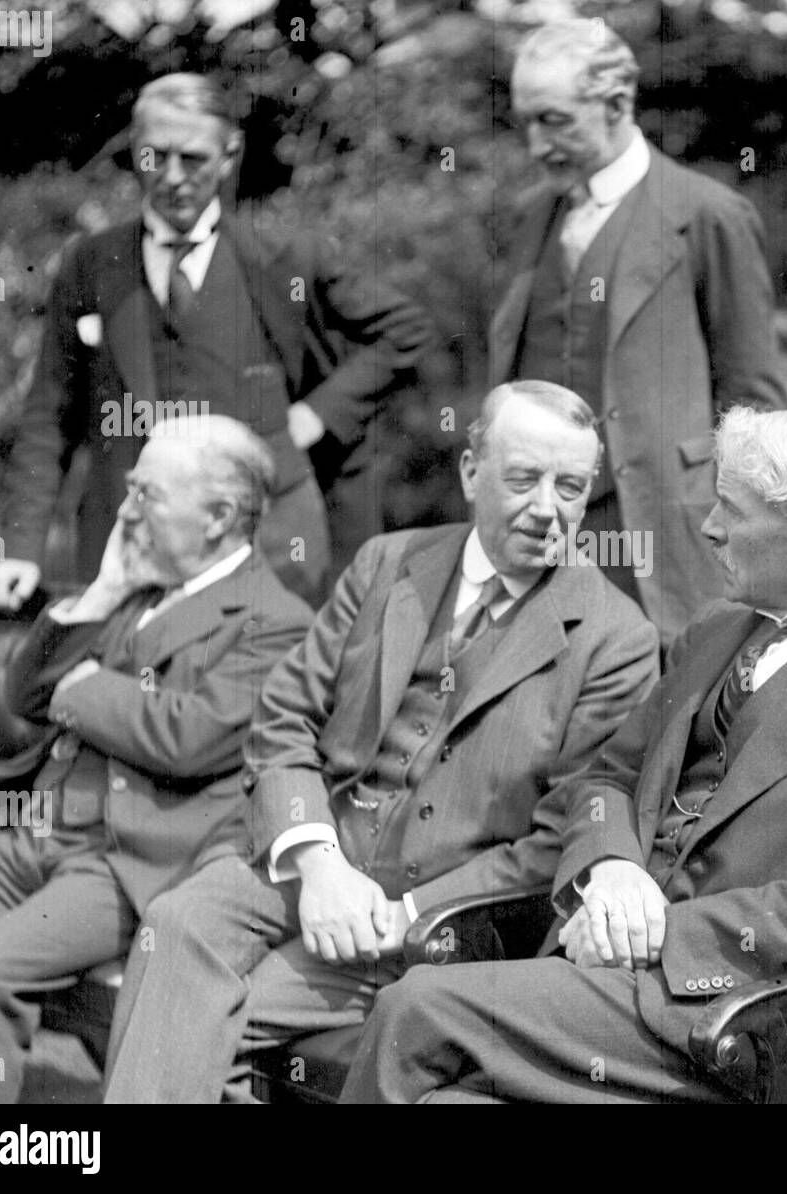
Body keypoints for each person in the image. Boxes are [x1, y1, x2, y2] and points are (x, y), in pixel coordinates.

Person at [339, 406, 787, 1104]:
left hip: (741, 1025)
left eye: (731, 511)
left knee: (415, 1008)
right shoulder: (714, 630)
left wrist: (654, 935)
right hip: (603, 989)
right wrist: (611, 867)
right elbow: (605, 776)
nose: (707, 528)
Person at [101, 380, 660, 1102]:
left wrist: (400, 914)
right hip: (311, 858)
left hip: (435, 922)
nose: (548, 508)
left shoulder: (616, 640)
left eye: (572, 487)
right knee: (177, 922)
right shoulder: (386, 563)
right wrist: (321, 863)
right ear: (469, 474)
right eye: (524, 479)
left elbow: (563, 837)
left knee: (206, 1014)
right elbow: (284, 718)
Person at [0, 415, 312, 1103]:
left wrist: (84, 690)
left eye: (147, 494)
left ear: (218, 516)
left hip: (123, 866)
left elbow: (188, 737)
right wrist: (102, 591)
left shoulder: (274, 620)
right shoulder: (139, 584)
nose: (125, 509)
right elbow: (27, 693)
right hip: (34, 831)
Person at [0, 72, 434, 609]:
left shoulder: (284, 258)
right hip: (127, 555)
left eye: (192, 159)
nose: (171, 178)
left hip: (264, 553)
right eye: (155, 156)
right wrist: (19, 547)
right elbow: (49, 415)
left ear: (228, 155)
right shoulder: (91, 264)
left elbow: (405, 331)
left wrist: (316, 415)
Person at [492, 20, 787, 645]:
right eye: (527, 123)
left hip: (659, 536)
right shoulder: (529, 217)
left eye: (555, 120)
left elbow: (754, 399)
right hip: (541, 529)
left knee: (660, 715)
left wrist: (728, 526)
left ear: (618, 105)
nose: (537, 145)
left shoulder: (707, 214)